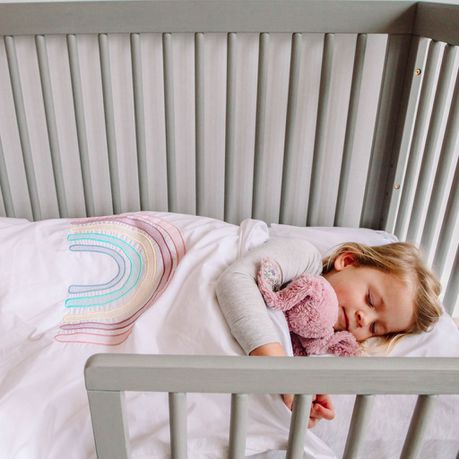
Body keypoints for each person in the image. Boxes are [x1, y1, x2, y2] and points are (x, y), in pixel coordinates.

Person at [215, 238, 443, 428]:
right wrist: (281, 371)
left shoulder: (315, 342)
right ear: (347, 260)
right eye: (370, 300)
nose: (364, 319)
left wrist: (304, 398)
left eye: (375, 328)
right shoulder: (305, 257)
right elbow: (236, 280)